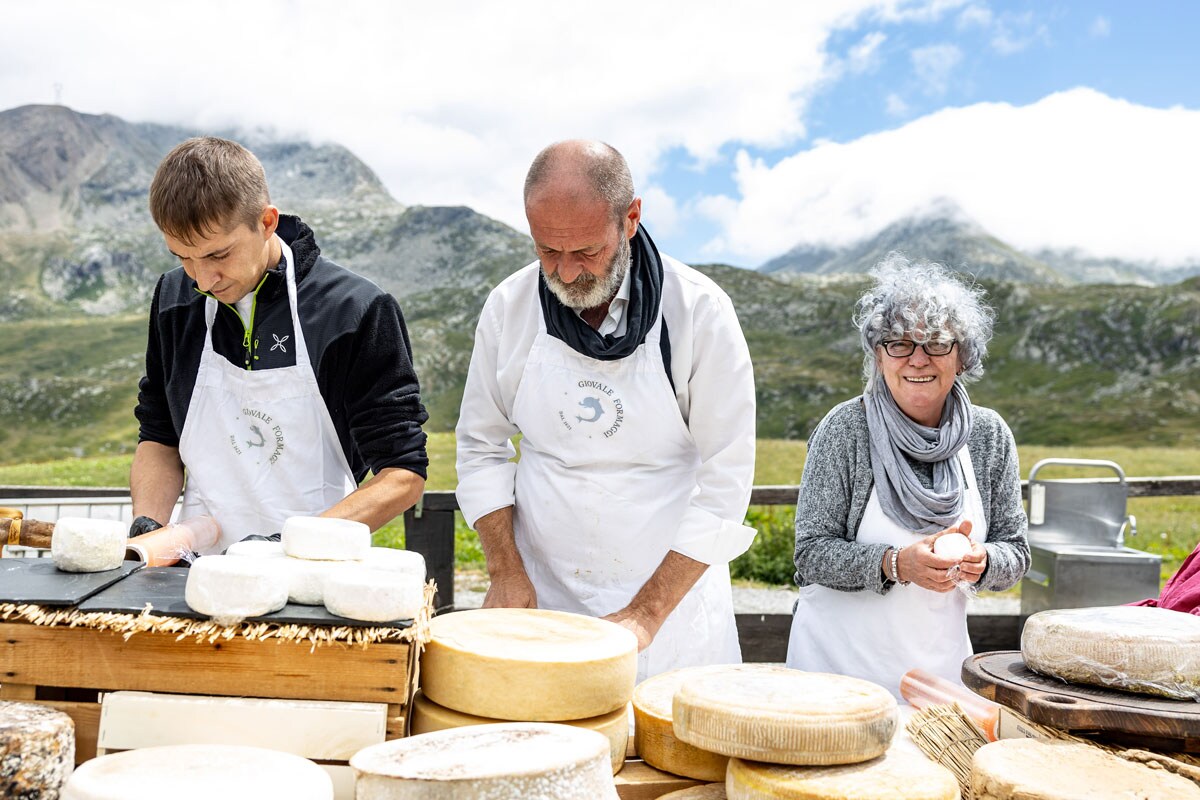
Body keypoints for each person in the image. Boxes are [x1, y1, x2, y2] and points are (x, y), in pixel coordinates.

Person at [455, 140, 757, 679]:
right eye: (547, 251)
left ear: (631, 218)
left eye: (586, 253)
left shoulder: (699, 311)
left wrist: (646, 614)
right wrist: (504, 570)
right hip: (543, 601)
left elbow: (726, 482)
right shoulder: (509, 308)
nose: (566, 274)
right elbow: (480, 446)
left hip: (671, 618)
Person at [131, 137, 428, 553]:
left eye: (218, 255)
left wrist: (288, 545)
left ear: (267, 221)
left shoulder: (354, 311)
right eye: (183, 257)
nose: (203, 281)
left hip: (310, 567)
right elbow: (159, 435)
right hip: (194, 569)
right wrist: (150, 524)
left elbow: (402, 474)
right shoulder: (174, 299)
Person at [785, 254, 1029, 698]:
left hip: (938, 681)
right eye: (898, 343)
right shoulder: (846, 429)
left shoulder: (989, 436)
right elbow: (811, 554)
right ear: (879, 356)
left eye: (936, 343)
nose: (917, 360)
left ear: (962, 355)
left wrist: (984, 562)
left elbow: (1016, 551)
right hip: (835, 674)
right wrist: (897, 564)